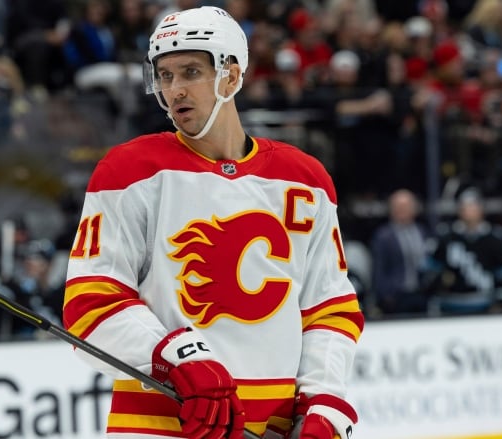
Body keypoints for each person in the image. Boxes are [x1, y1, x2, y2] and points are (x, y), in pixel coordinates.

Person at [62, 6, 364, 439]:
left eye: (190, 72)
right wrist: (175, 357)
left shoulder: (305, 180)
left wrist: (323, 402)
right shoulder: (130, 171)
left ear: (232, 75)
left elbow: (329, 308)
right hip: (162, 426)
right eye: (165, 76)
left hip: (276, 428)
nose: (175, 90)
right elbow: (89, 304)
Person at [370, 189, 431, 315]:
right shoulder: (384, 235)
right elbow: (378, 268)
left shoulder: (422, 231)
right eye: (398, 206)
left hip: (421, 293)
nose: (402, 210)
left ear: (414, 208)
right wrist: (385, 296)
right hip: (396, 296)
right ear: (391, 209)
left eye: (406, 206)